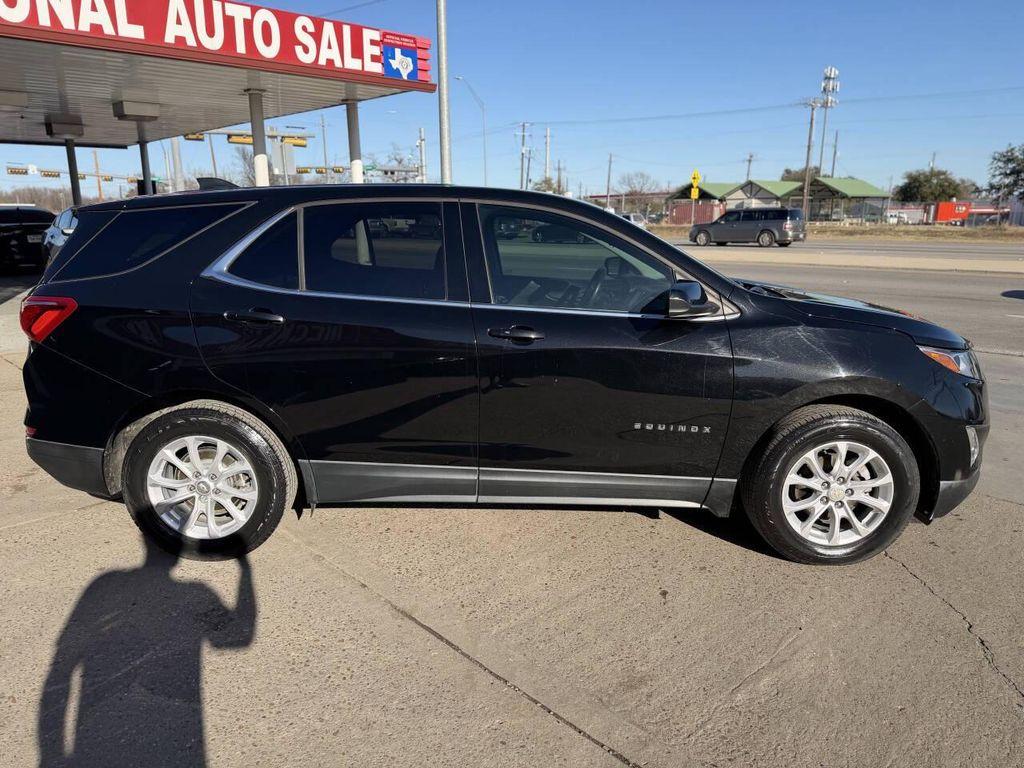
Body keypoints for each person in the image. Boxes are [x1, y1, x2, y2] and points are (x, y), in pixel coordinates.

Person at [37, 538, 256, 768]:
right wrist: (245, 572)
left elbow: (62, 665)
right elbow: (239, 638)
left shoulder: (104, 583)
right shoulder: (197, 591)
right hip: (172, 740)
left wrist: (50, 753)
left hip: (97, 739)